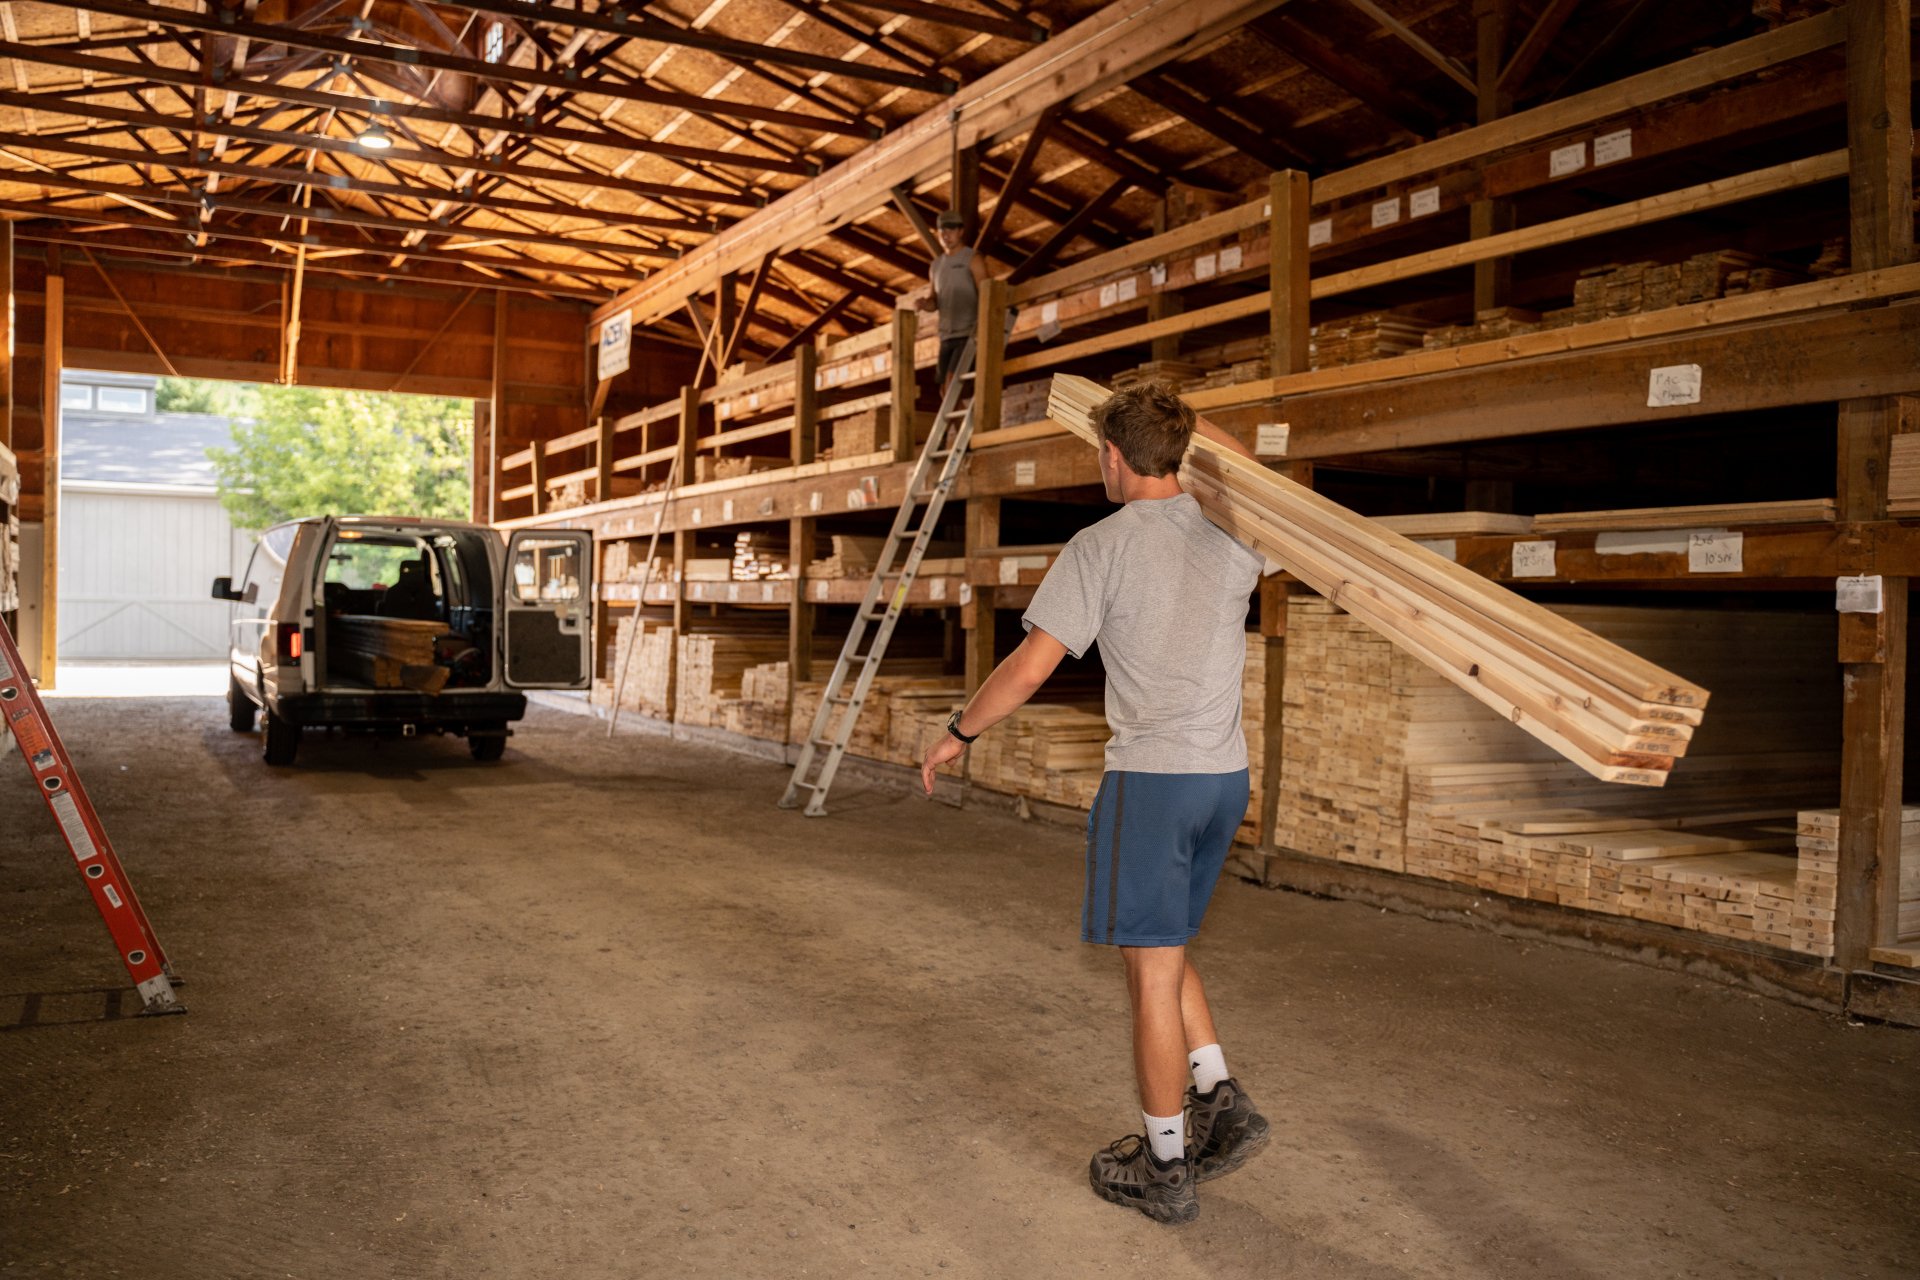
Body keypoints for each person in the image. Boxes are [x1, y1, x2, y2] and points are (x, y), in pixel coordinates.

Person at [920, 383, 1271, 1225]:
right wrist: (1187, 430)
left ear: (1114, 456)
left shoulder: (1098, 545)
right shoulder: (1236, 533)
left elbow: (1031, 668)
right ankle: (1218, 1095)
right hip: (1224, 780)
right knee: (1169, 945)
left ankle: (1164, 1167)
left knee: (1150, 972)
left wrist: (959, 733)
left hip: (1150, 784)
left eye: (1099, 453)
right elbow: (1254, 474)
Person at [915, 209, 990, 389]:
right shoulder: (935, 266)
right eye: (942, 231)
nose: (946, 235)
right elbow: (934, 301)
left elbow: (987, 293)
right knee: (943, 390)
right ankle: (963, 419)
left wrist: (983, 326)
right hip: (946, 335)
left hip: (968, 333)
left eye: (950, 230)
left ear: (960, 231)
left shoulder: (973, 258)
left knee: (951, 384)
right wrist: (925, 304)